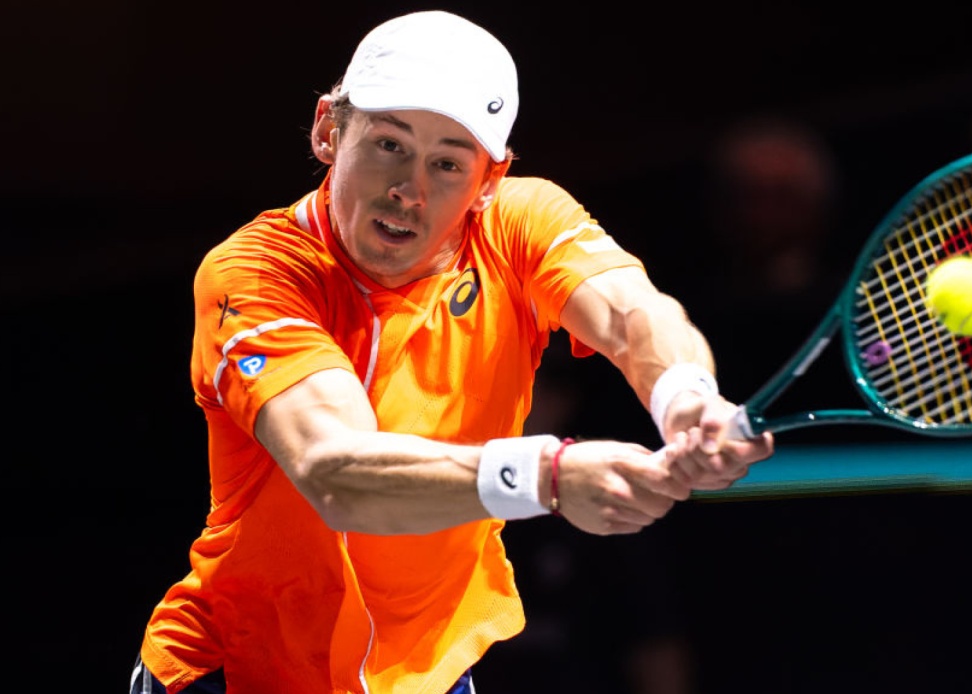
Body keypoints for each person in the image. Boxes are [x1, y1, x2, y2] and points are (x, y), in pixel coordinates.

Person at [129, 10, 773, 694]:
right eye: (389, 144)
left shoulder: (519, 223)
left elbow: (630, 312)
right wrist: (547, 477)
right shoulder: (258, 273)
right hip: (240, 671)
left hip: (428, 673)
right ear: (328, 131)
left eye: (446, 163)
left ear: (488, 181)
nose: (409, 190)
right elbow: (335, 473)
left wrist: (685, 398)